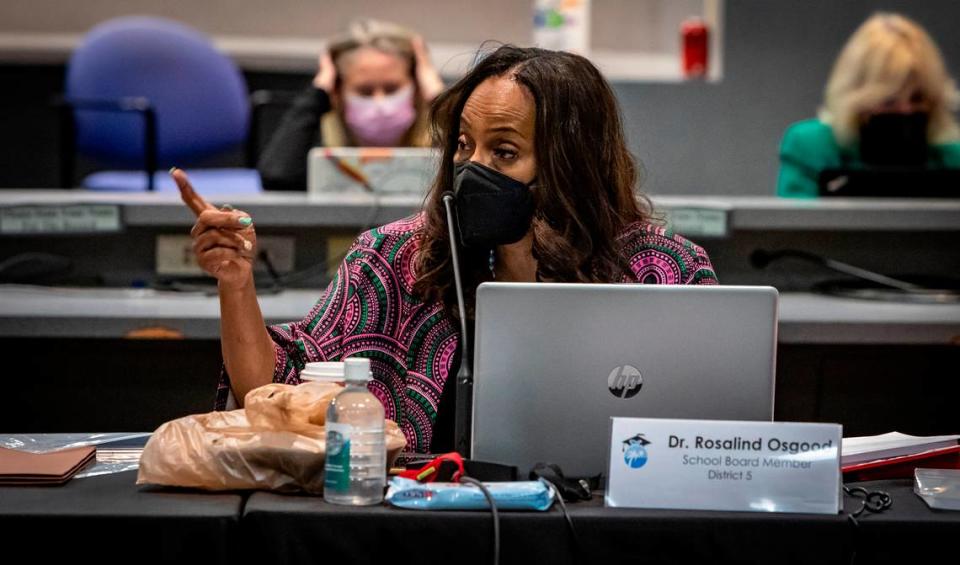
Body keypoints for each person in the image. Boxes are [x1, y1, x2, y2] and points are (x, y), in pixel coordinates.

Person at [177, 45, 718, 453]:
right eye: (464, 146)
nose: (473, 168)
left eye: (503, 152)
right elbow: (272, 390)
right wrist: (237, 283)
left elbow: (711, 433)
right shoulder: (393, 258)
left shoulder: (663, 269)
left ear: (570, 162)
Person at [777, 12, 960, 198]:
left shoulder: (952, 157)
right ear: (857, 100)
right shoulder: (812, 148)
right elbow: (798, 224)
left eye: (917, 98)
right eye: (889, 101)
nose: (905, 110)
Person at [257, 19, 444, 190]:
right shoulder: (317, 139)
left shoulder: (442, 138)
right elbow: (276, 176)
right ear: (337, 92)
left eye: (391, 89)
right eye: (365, 91)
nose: (380, 103)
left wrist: (439, 100)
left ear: (417, 87)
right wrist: (318, 94)